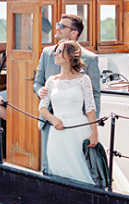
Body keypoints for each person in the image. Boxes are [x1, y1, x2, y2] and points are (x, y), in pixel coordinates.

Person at [34, 14, 101, 174]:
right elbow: (37, 82)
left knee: (80, 169)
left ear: (74, 33)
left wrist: (92, 129)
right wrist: (40, 90)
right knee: (50, 168)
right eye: (58, 24)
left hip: (78, 126)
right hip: (49, 123)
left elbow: (95, 95)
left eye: (62, 26)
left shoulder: (90, 59)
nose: (57, 28)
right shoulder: (47, 53)